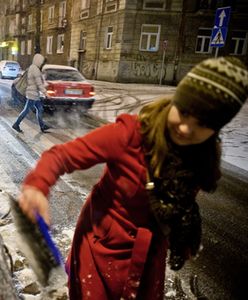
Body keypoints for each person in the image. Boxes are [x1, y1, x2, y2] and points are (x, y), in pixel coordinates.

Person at [17, 56, 248, 299]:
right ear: (175, 101)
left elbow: (182, 201)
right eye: (184, 111)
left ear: (215, 130)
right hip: (100, 250)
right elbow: (60, 156)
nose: (185, 128)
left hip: (147, 258)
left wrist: (185, 228)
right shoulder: (130, 134)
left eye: (202, 124)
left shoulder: (201, 157)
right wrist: (36, 187)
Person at [12, 53, 50, 133]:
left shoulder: (33, 68)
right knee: (26, 111)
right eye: (41, 61)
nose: (41, 63)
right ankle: (16, 124)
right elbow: (38, 83)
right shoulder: (35, 69)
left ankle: (42, 126)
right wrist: (45, 93)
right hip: (32, 94)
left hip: (34, 93)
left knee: (39, 109)